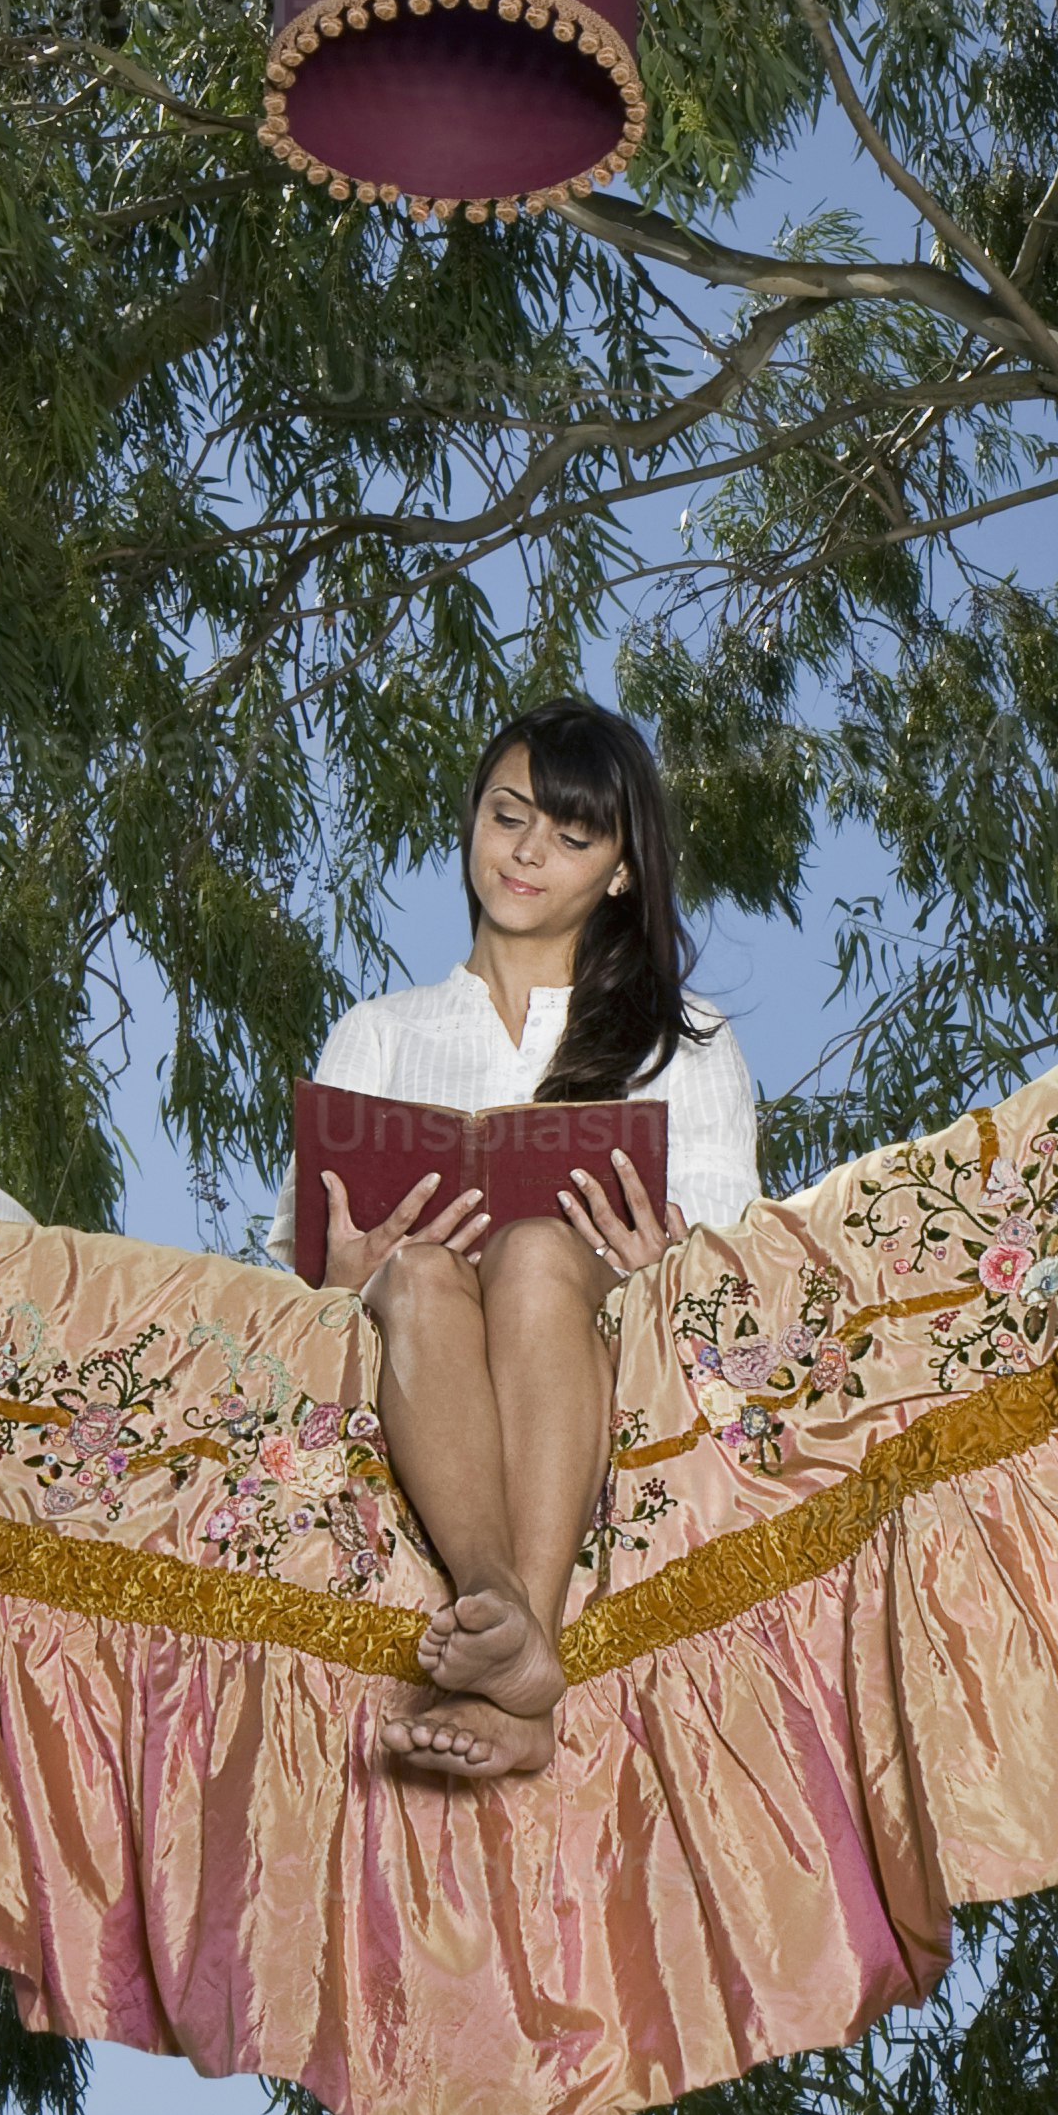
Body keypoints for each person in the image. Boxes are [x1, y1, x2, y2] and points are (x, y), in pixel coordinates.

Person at [277, 698, 760, 1782]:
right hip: (415, 1327)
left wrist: (660, 1263)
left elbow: (731, 1255)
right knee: (415, 1266)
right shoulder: (377, 1032)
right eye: (508, 817)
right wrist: (342, 1278)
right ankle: (502, 1611)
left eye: (571, 835)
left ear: (620, 873)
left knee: (537, 1252)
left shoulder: (685, 1041)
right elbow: (302, 1280)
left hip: (593, 1334)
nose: (527, 851)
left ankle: (518, 1627)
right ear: (473, 824)